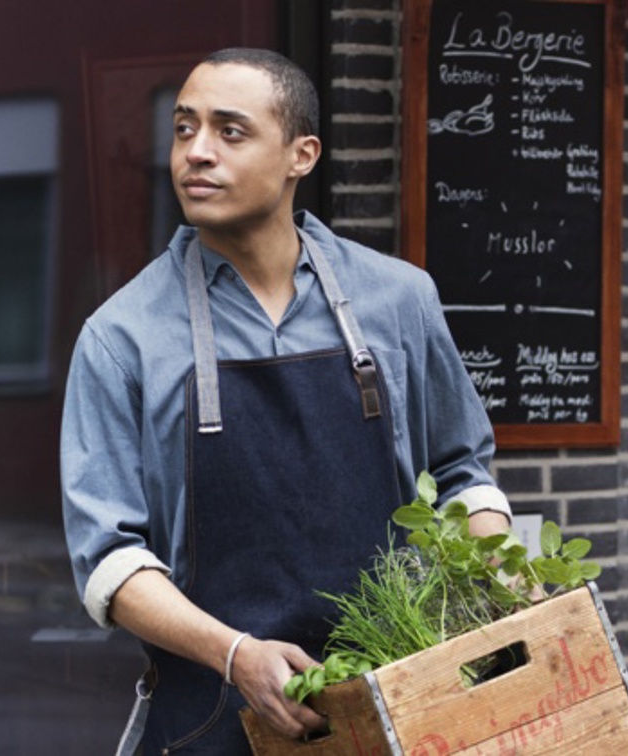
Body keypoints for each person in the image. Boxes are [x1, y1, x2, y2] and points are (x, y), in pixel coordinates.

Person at [60, 47, 511, 754]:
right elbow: (110, 562)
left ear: (302, 154)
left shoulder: (399, 300)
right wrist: (238, 655)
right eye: (183, 129)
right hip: (211, 715)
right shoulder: (123, 337)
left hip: (393, 702)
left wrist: (508, 582)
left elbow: (460, 473)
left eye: (229, 131)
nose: (197, 153)